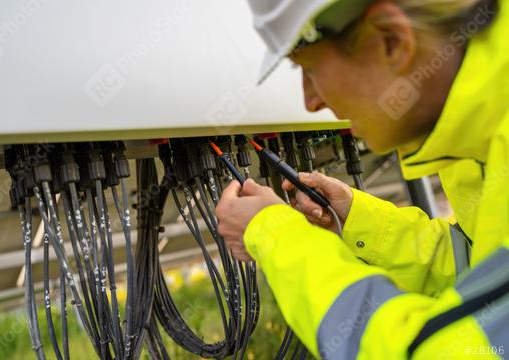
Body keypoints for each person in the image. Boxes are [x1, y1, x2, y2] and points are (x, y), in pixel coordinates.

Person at [215, 0, 508, 358]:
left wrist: (274, 234)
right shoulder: (484, 138)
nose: (311, 101)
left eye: (309, 70)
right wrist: (359, 220)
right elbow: (481, 270)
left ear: (391, 41)